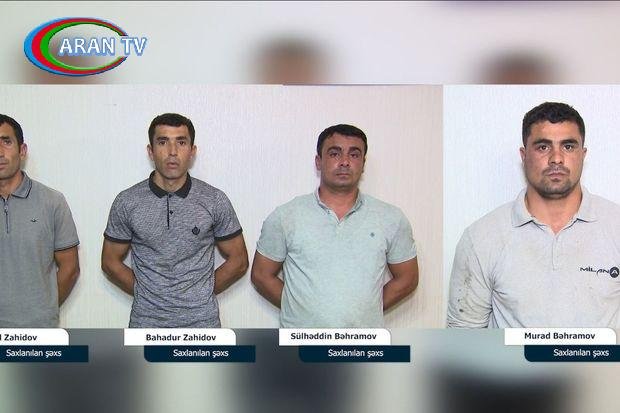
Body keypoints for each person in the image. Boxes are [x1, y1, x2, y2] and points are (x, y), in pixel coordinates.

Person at [447, 102, 620, 328]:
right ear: (524, 155)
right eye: (543, 147)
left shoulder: (615, 226)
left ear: (582, 154)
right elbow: (463, 338)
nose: (556, 158)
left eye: (568, 146)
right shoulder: (481, 238)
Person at [251, 124, 419, 327]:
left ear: (363, 164)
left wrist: (367, 311)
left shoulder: (391, 218)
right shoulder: (286, 216)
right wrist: (298, 309)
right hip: (301, 342)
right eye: (334, 153)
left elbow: (407, 278)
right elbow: (261, 275)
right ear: (318, 161)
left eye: (354, 155)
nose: (345, 162)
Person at [101, 113, 248, 327]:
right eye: (162, 142)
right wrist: (147, 293)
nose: (172, 151)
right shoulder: (127, 201)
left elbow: (239, 261)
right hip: (146, 325)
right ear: (151, 151)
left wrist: (200, 293)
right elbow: (109, 262)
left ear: (192, 151)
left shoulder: (214, 200)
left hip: (202, 326)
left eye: (181, 142)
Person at [0, 114, 80, 327]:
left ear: (22, 150)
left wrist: (43, 309)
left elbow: (70, 267)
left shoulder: (51, 201)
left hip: (39, 330)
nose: (0, 152)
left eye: (6, 141)